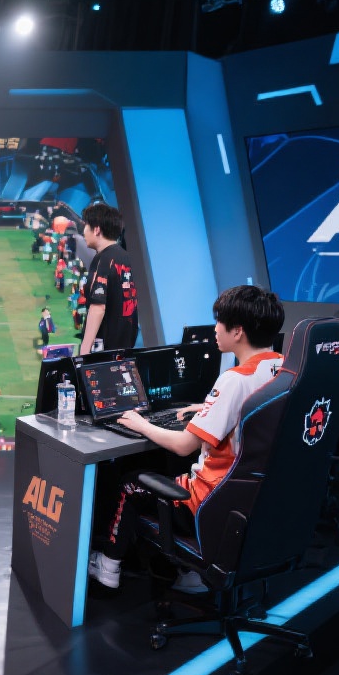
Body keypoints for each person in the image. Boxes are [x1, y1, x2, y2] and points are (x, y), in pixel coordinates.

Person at [87, 285, 285, 593]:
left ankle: (108, 567)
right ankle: (189, 571)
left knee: (129, 483)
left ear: (238, 331)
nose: (215, 329)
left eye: (220, 322)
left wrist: (142, 424)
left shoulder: (235, 381)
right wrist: (207, 407)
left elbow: (183, 445)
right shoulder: (283, 369)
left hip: (208, 503)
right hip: (254, 501)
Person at [78, 203, 138, 354]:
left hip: (104, 352)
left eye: (86, 225)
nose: (84, 231)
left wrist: (84, 350)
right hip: (126, 349)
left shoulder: (103, 260)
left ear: (96, 229)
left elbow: (98, 307)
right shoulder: (128, 258)